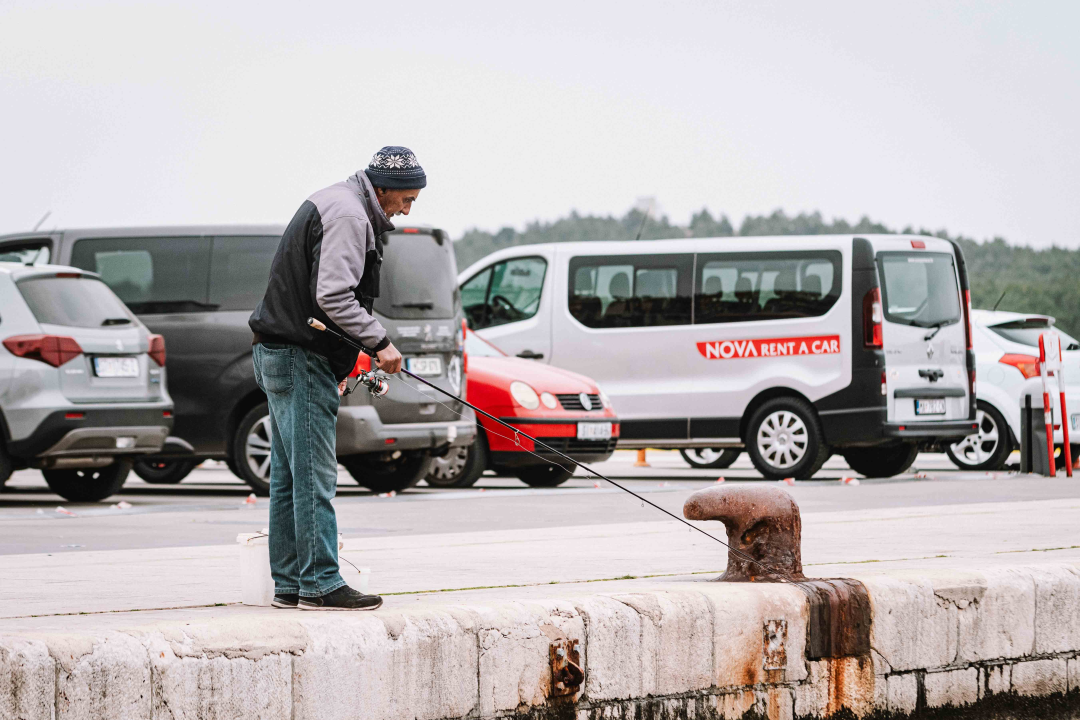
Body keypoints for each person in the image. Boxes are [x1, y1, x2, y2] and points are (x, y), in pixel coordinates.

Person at [248, 146, 425, 610]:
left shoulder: (336, 200)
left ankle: (290, 583)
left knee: (289, 476)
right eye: (406, 198)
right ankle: (322, 582)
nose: (408, 208)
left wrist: (349, 358)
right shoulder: (349, 215)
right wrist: (380, 343)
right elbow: (333, 295)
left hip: (278, 352)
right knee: (314, 476)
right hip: (299, 356)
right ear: (382, 188)